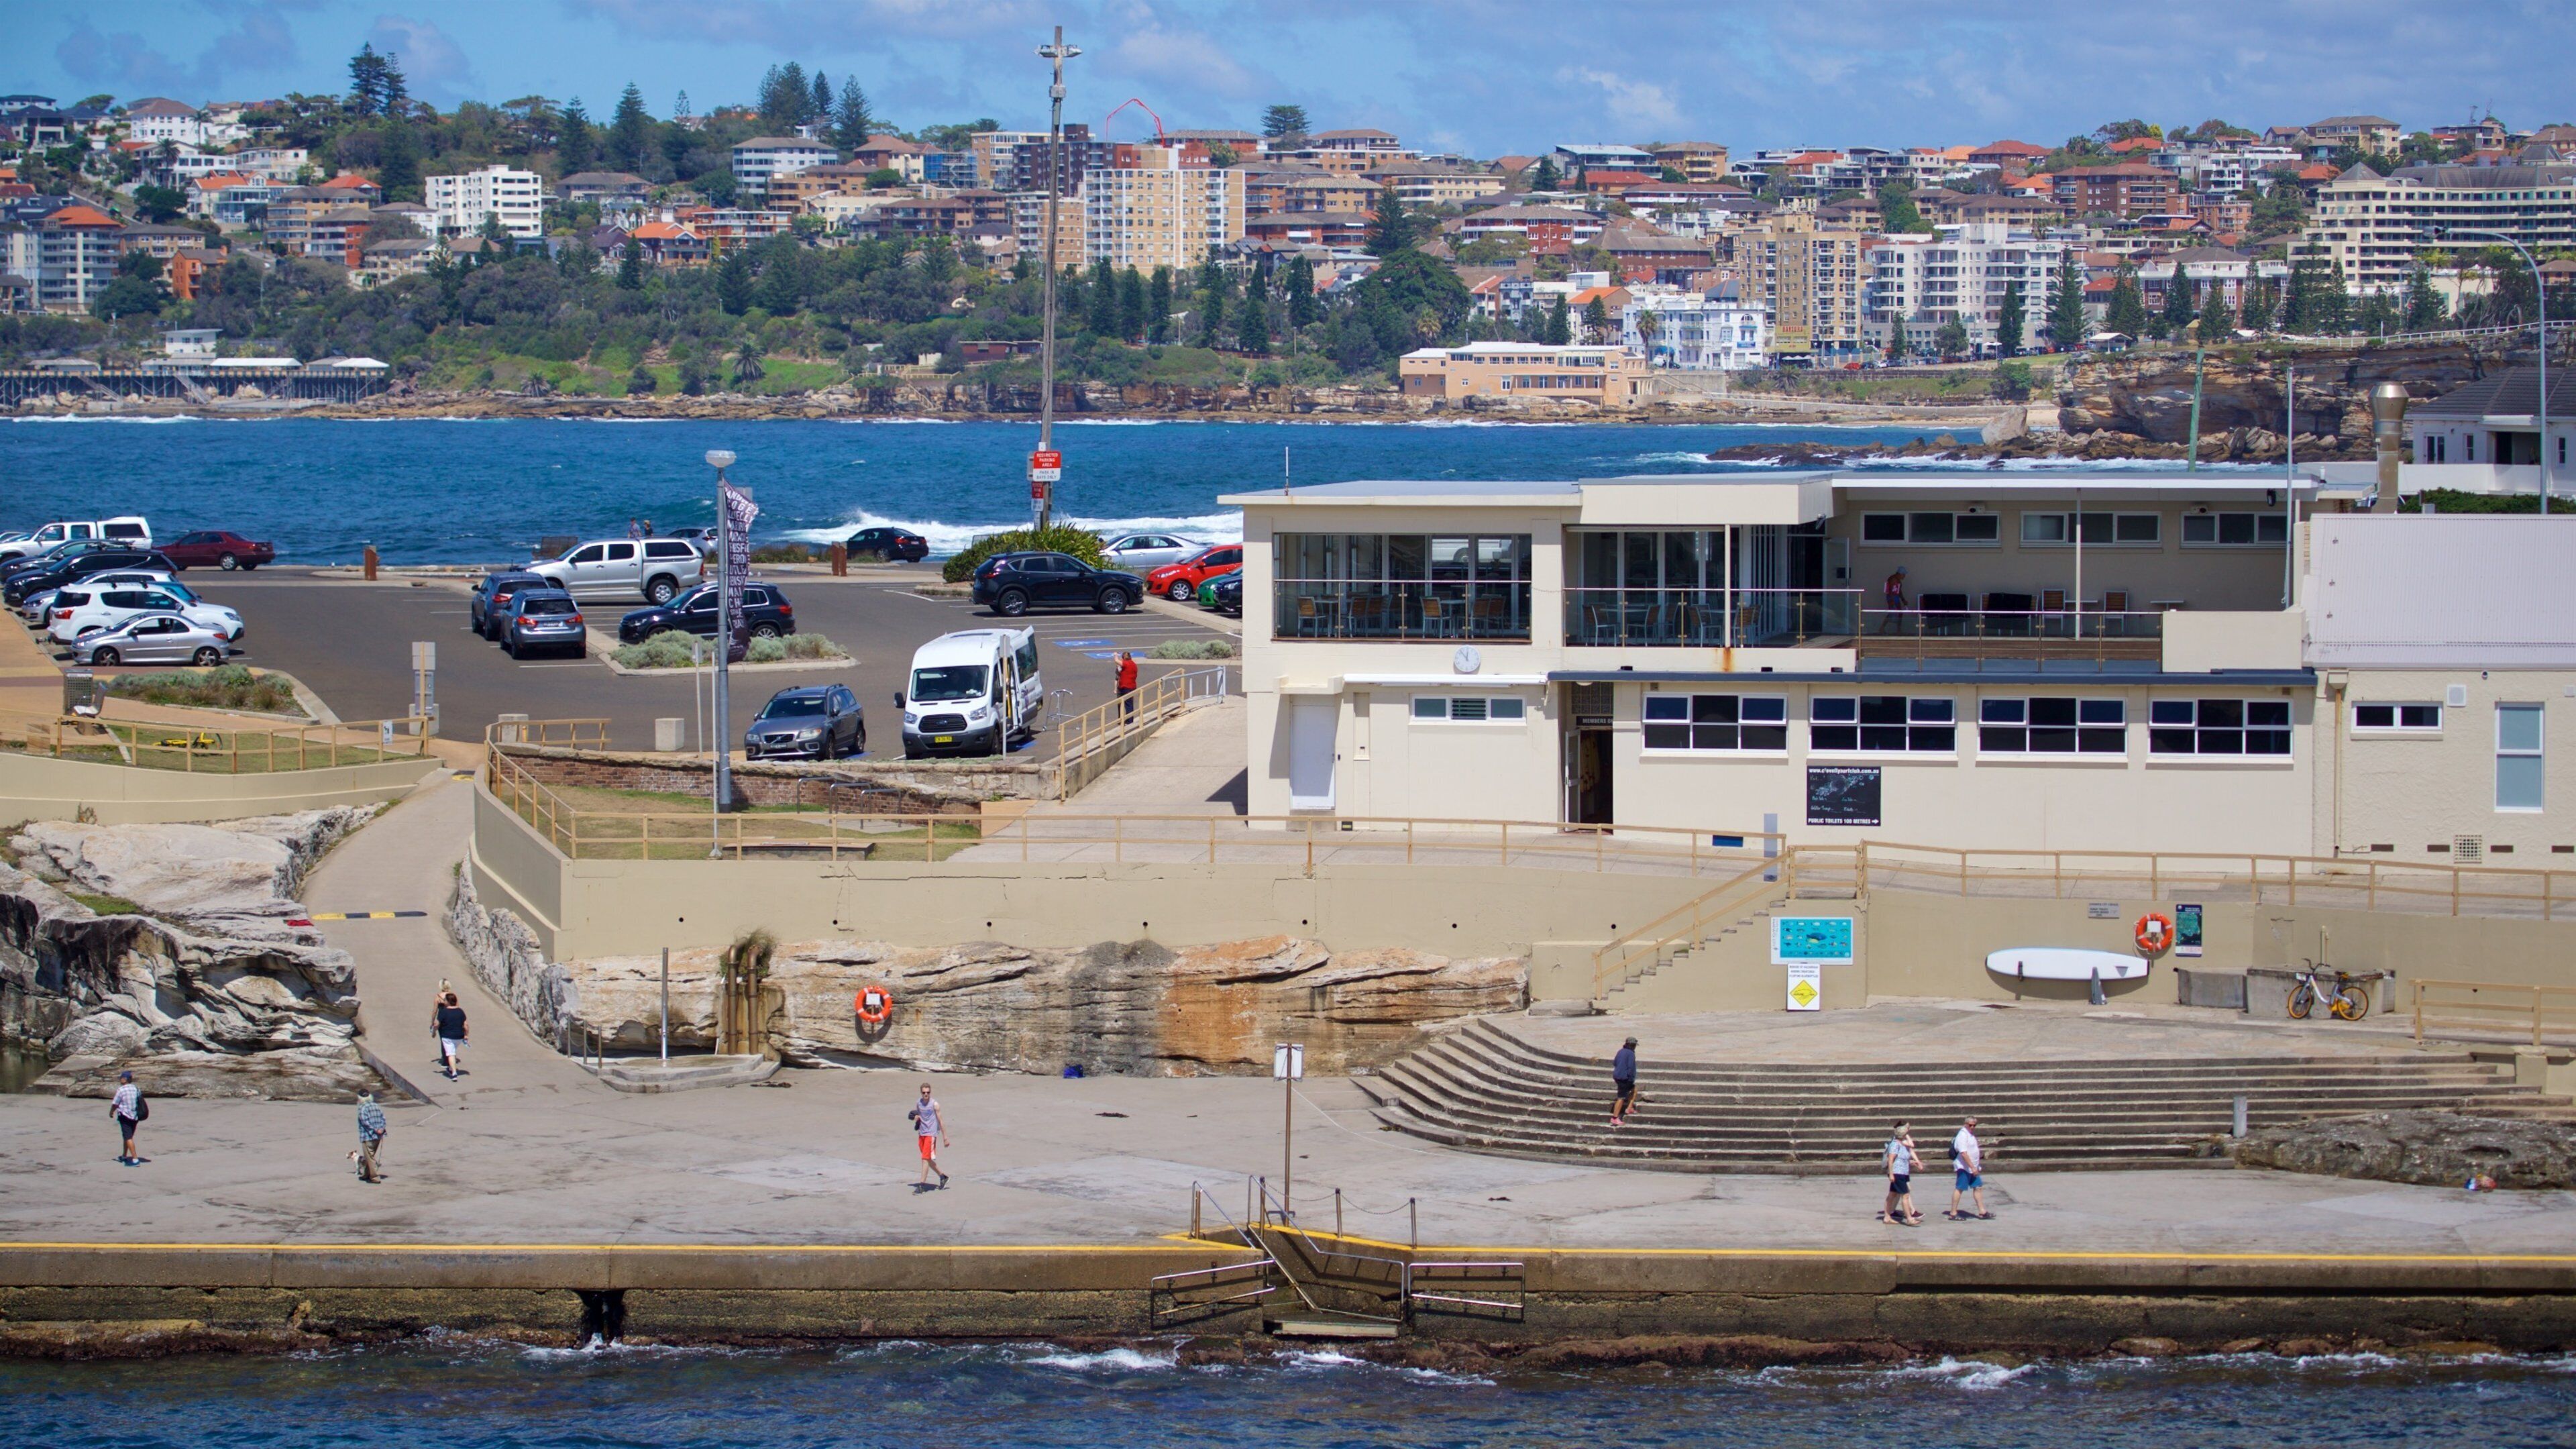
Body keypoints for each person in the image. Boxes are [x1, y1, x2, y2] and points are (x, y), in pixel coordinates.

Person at [908, 1083, 950, 1191]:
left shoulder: (935, 1104)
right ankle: (943, 1176)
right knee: (928, 1159)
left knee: (925, 1159)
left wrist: (945, 1137)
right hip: (922, 1133)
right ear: (921, 1093)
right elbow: (919, 1115)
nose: (926, 1094)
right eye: (924, 1093)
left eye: (928, 1092)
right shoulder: (919, 1103)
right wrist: (917, 1118)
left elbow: (941, 1121)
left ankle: (922, 1185)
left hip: (931, 1134)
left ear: (930, 1092)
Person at [1947, 1117, 1990, 1220]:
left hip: (1973, 1167)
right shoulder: (1962, 1135)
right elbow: (1963, 1153)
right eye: (1970, 1125)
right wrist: (1972, 1166)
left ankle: (1982, 1212)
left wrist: (1975, 1166)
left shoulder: (1971, 1135)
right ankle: (1953, 1213)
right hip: (1964, 1167)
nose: (1972, 1127)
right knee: (1960, 1188)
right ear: (1966, 1124)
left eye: (1974, 1125)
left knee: (1978, 1187)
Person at [1880, 1121, 1922, 1225]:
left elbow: (1902, 1158)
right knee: (1905, 1195)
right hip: (1898, 1173)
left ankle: (1887, 1217)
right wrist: (1891, 1174)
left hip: (1903, 1172)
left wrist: (1912, 1162)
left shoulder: (1902, 1144)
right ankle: (1909, 1218)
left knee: (1892, 1195)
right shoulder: (1895, 1145)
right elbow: (1891, 1160)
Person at [111, 1069, 144, 1166]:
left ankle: (135, 1159)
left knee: (128, 1137)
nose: (120, 1080)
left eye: (121, 1078)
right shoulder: (136, 1089)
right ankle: (124, 1156)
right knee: (128, 1136)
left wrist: (111, 1112)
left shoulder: (121, 1090)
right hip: (135, 1116)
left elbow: (115, 1103)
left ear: (125, 1079)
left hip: (125, 1116)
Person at [355, 1090, 388, 1183]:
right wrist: (381, 1129)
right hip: (378, 1136)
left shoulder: (362, 1108)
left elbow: (365, 1122)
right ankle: (366, 1174)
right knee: (370, 1156)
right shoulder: (376, 1106)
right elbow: (383, 1119)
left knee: (370, 1157)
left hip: (368, 1136)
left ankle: (374, 1177)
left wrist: (375, 1129)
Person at [435, 991, 468, 1081]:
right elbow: (466, 1025)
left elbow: (437, 1024)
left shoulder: (444, 1012)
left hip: (447, 1037)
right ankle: (450, 1068)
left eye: (445, 1000)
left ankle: (454, 1073)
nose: (444, 1001)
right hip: (459, 1037)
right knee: (452, 1052)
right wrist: (466, 1035)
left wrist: (434, 1031)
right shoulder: (460, 1011)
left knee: (451, 1054)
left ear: (449, 1001)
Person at [1609, 1036, 1638, 1128]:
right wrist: (1630, 1079)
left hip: (1617, 1076)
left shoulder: (1620, 1051)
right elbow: (1630, 1068)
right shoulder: (1631, 1054)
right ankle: (1615, 1118)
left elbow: (1615, 1063)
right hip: (1625, 1078)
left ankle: (1629, 1108)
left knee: (1634, 1090)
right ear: (1633, 1045)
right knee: (1621, 1098)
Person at [1878, 566, 1909, 635]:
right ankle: (1882, 628)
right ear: (1900, 574)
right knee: (1892, 613)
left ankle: (1898, 630)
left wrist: (1903, 600)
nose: (1904, 576)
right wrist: (1891, 600)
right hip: (1892, 597)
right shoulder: (1892, 579)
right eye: (1904, 575)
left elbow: (1899, 591)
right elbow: (1890, 591)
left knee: (1900, 613)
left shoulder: (1899, 581)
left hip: (1896, 597)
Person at [1115, 650, 1138, 720]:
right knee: (1129, 704)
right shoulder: (1133, 664)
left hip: (1126, 687)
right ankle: (1129, 720)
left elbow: (1117, 661)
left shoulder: (1127, 664)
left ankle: (1129, 721)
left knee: (1127, 704)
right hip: (1131, 686)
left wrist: (1115, 655)